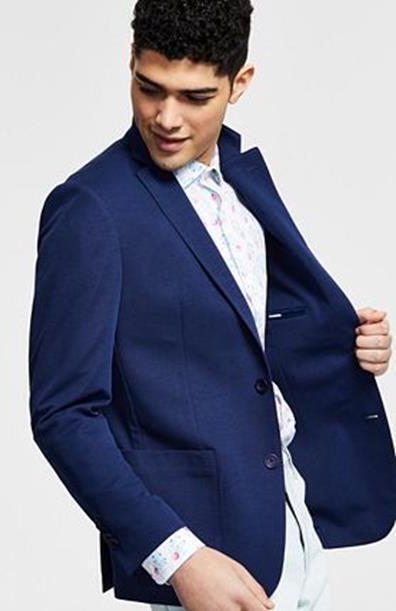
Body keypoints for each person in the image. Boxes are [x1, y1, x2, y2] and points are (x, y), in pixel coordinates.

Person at [28, 1, 395, 609]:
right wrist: (177, 557)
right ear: (131, 63)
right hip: (201, 558)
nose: (166, 118)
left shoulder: (241, 181)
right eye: (149, 88)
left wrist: (351, 347)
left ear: (239, 83)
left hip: (291, 522)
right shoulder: (92, 209)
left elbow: (243, 337)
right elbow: (63, 414)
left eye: (195, 97)